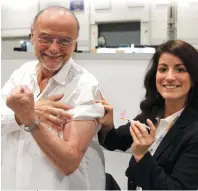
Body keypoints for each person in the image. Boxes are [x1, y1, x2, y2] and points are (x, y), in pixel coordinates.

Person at [1, 6, 106, 190]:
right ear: (32, 35)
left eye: (65, 41)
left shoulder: (84, 86)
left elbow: (69, 162)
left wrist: (30, 119)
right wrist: (21, 116)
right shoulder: (22, 74)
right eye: (45, 38)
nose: (54, 48)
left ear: (75, 43)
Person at [97, 40, 198, 190]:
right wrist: (107, 125)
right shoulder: (152, 114)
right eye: (163, 69)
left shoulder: (194, 130)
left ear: (194, 77)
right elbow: (115, 141)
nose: (169, 77)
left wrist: (141, 155)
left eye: (180, 69)